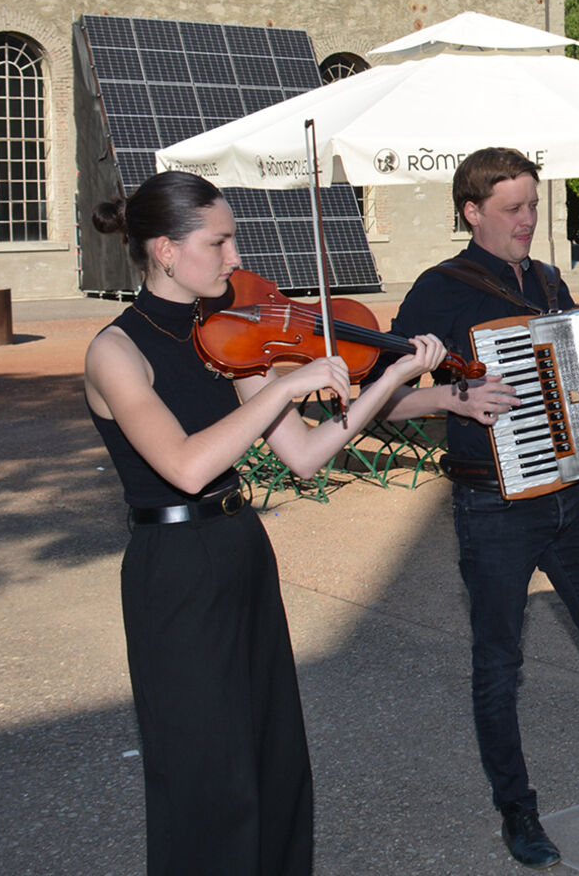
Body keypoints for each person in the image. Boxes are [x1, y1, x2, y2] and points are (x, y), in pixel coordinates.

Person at [85, 170, 459, 875]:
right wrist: (286, 382)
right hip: (173, 567)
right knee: (204, 773)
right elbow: (187, 467)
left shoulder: (225, 337)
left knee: (273, 756)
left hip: (239, 547)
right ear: (165, 249)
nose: (235, 260)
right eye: (219, 243)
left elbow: (307, 454)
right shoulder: (116, 351)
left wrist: (388, 378)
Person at [380, 147, 579, 869]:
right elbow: (382, 398)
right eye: (512, 209)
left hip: (570, 499)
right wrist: (445, 395)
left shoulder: (549, 281)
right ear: (471, 211)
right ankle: (517, 813)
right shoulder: (441, 291)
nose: (528, 220)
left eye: (532, 205)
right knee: (500, 665)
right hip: (491, 503)